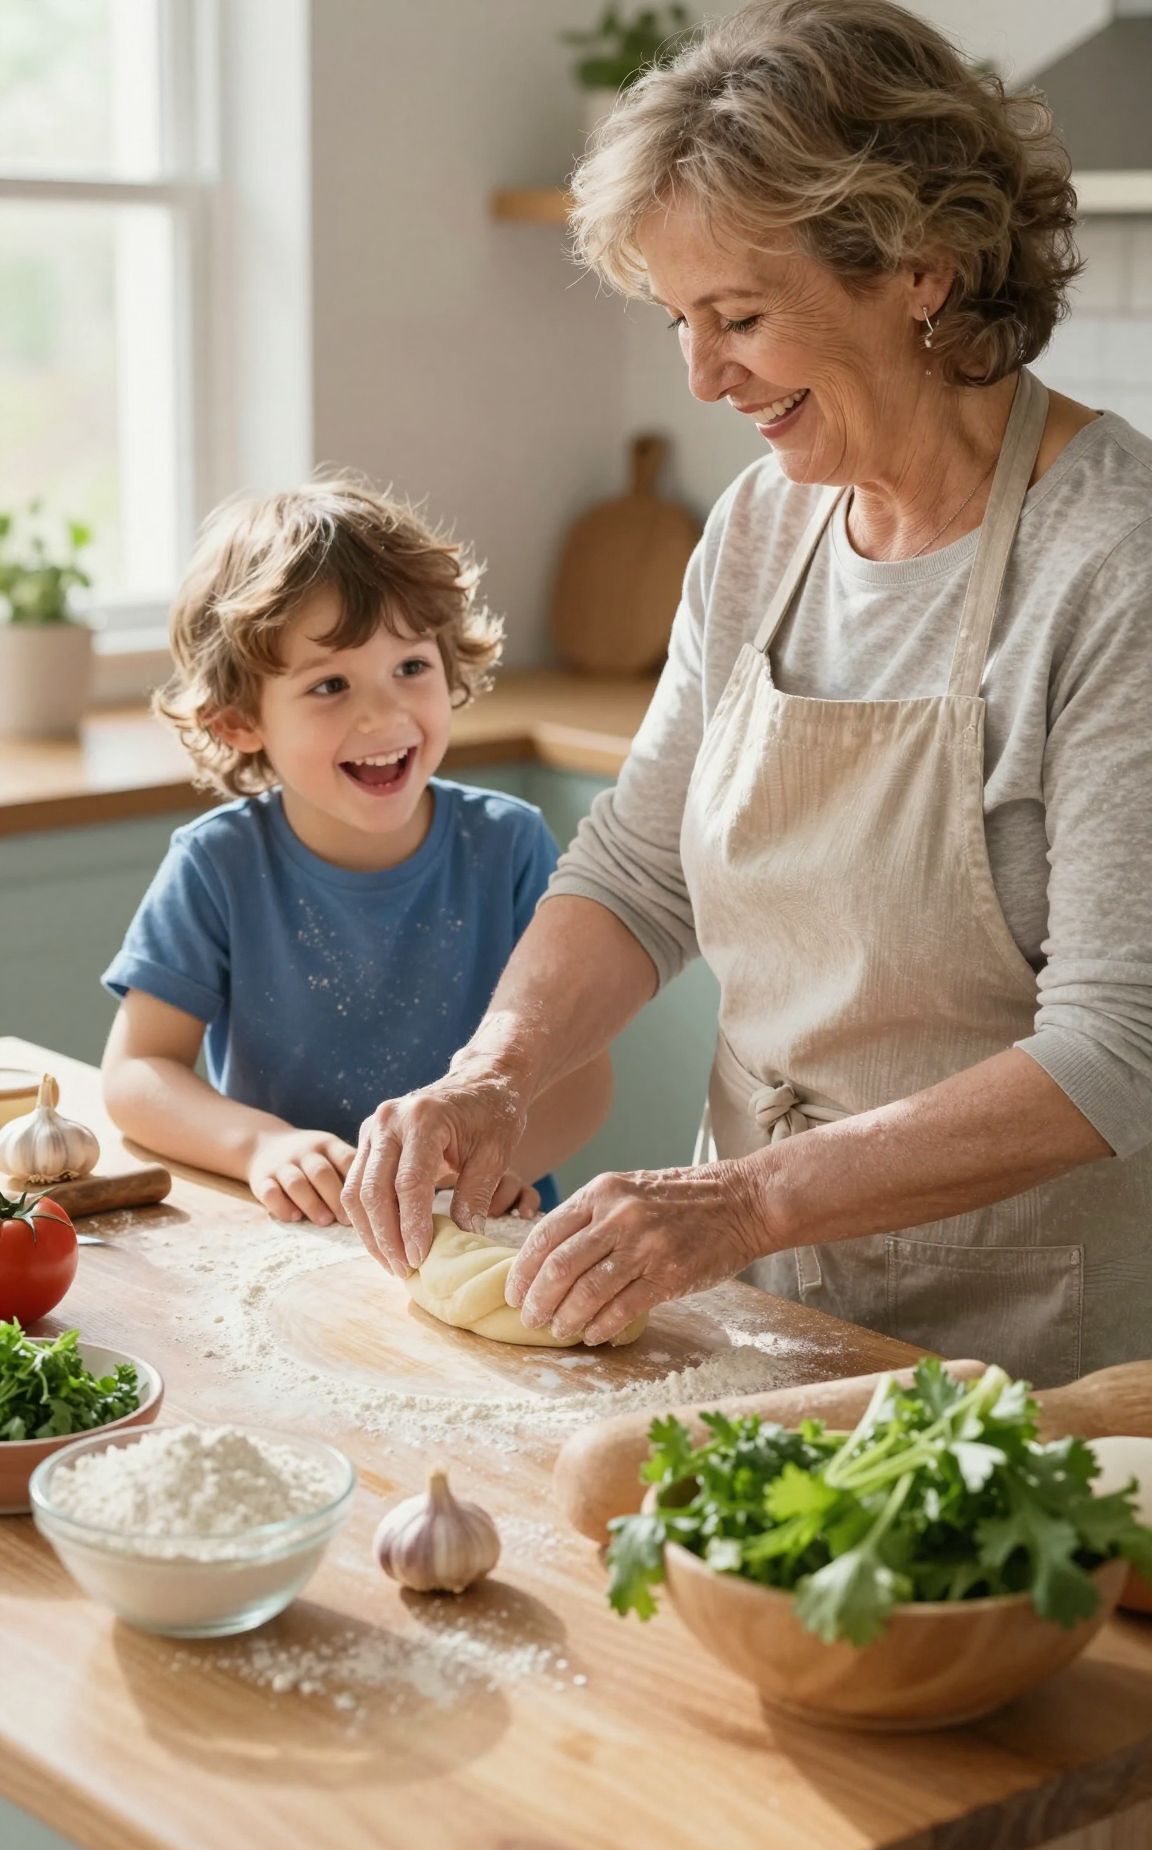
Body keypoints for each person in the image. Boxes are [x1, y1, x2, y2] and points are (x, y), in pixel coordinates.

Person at [342, 0, 1152, 1381]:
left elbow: (1117, 1046)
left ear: (923, 271)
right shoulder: (768, 527)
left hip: (1029, 1369)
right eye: (677, 320)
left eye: (741, 317)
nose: (703, 376)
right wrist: (495, 1071)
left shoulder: (1111, 566)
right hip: (754, 1315)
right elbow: (640, 871)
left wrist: (744, 1200)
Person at [100, 478, 611, 1224]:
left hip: (477, 1224)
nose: (384, 713)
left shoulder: (509, 847)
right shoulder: (218, 866)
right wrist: (259, 1146)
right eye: (330, 684)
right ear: (241, 720)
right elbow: (139, 1073)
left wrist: (485, 1166)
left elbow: (580, 1079)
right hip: (295, 1236)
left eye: (411, 667)